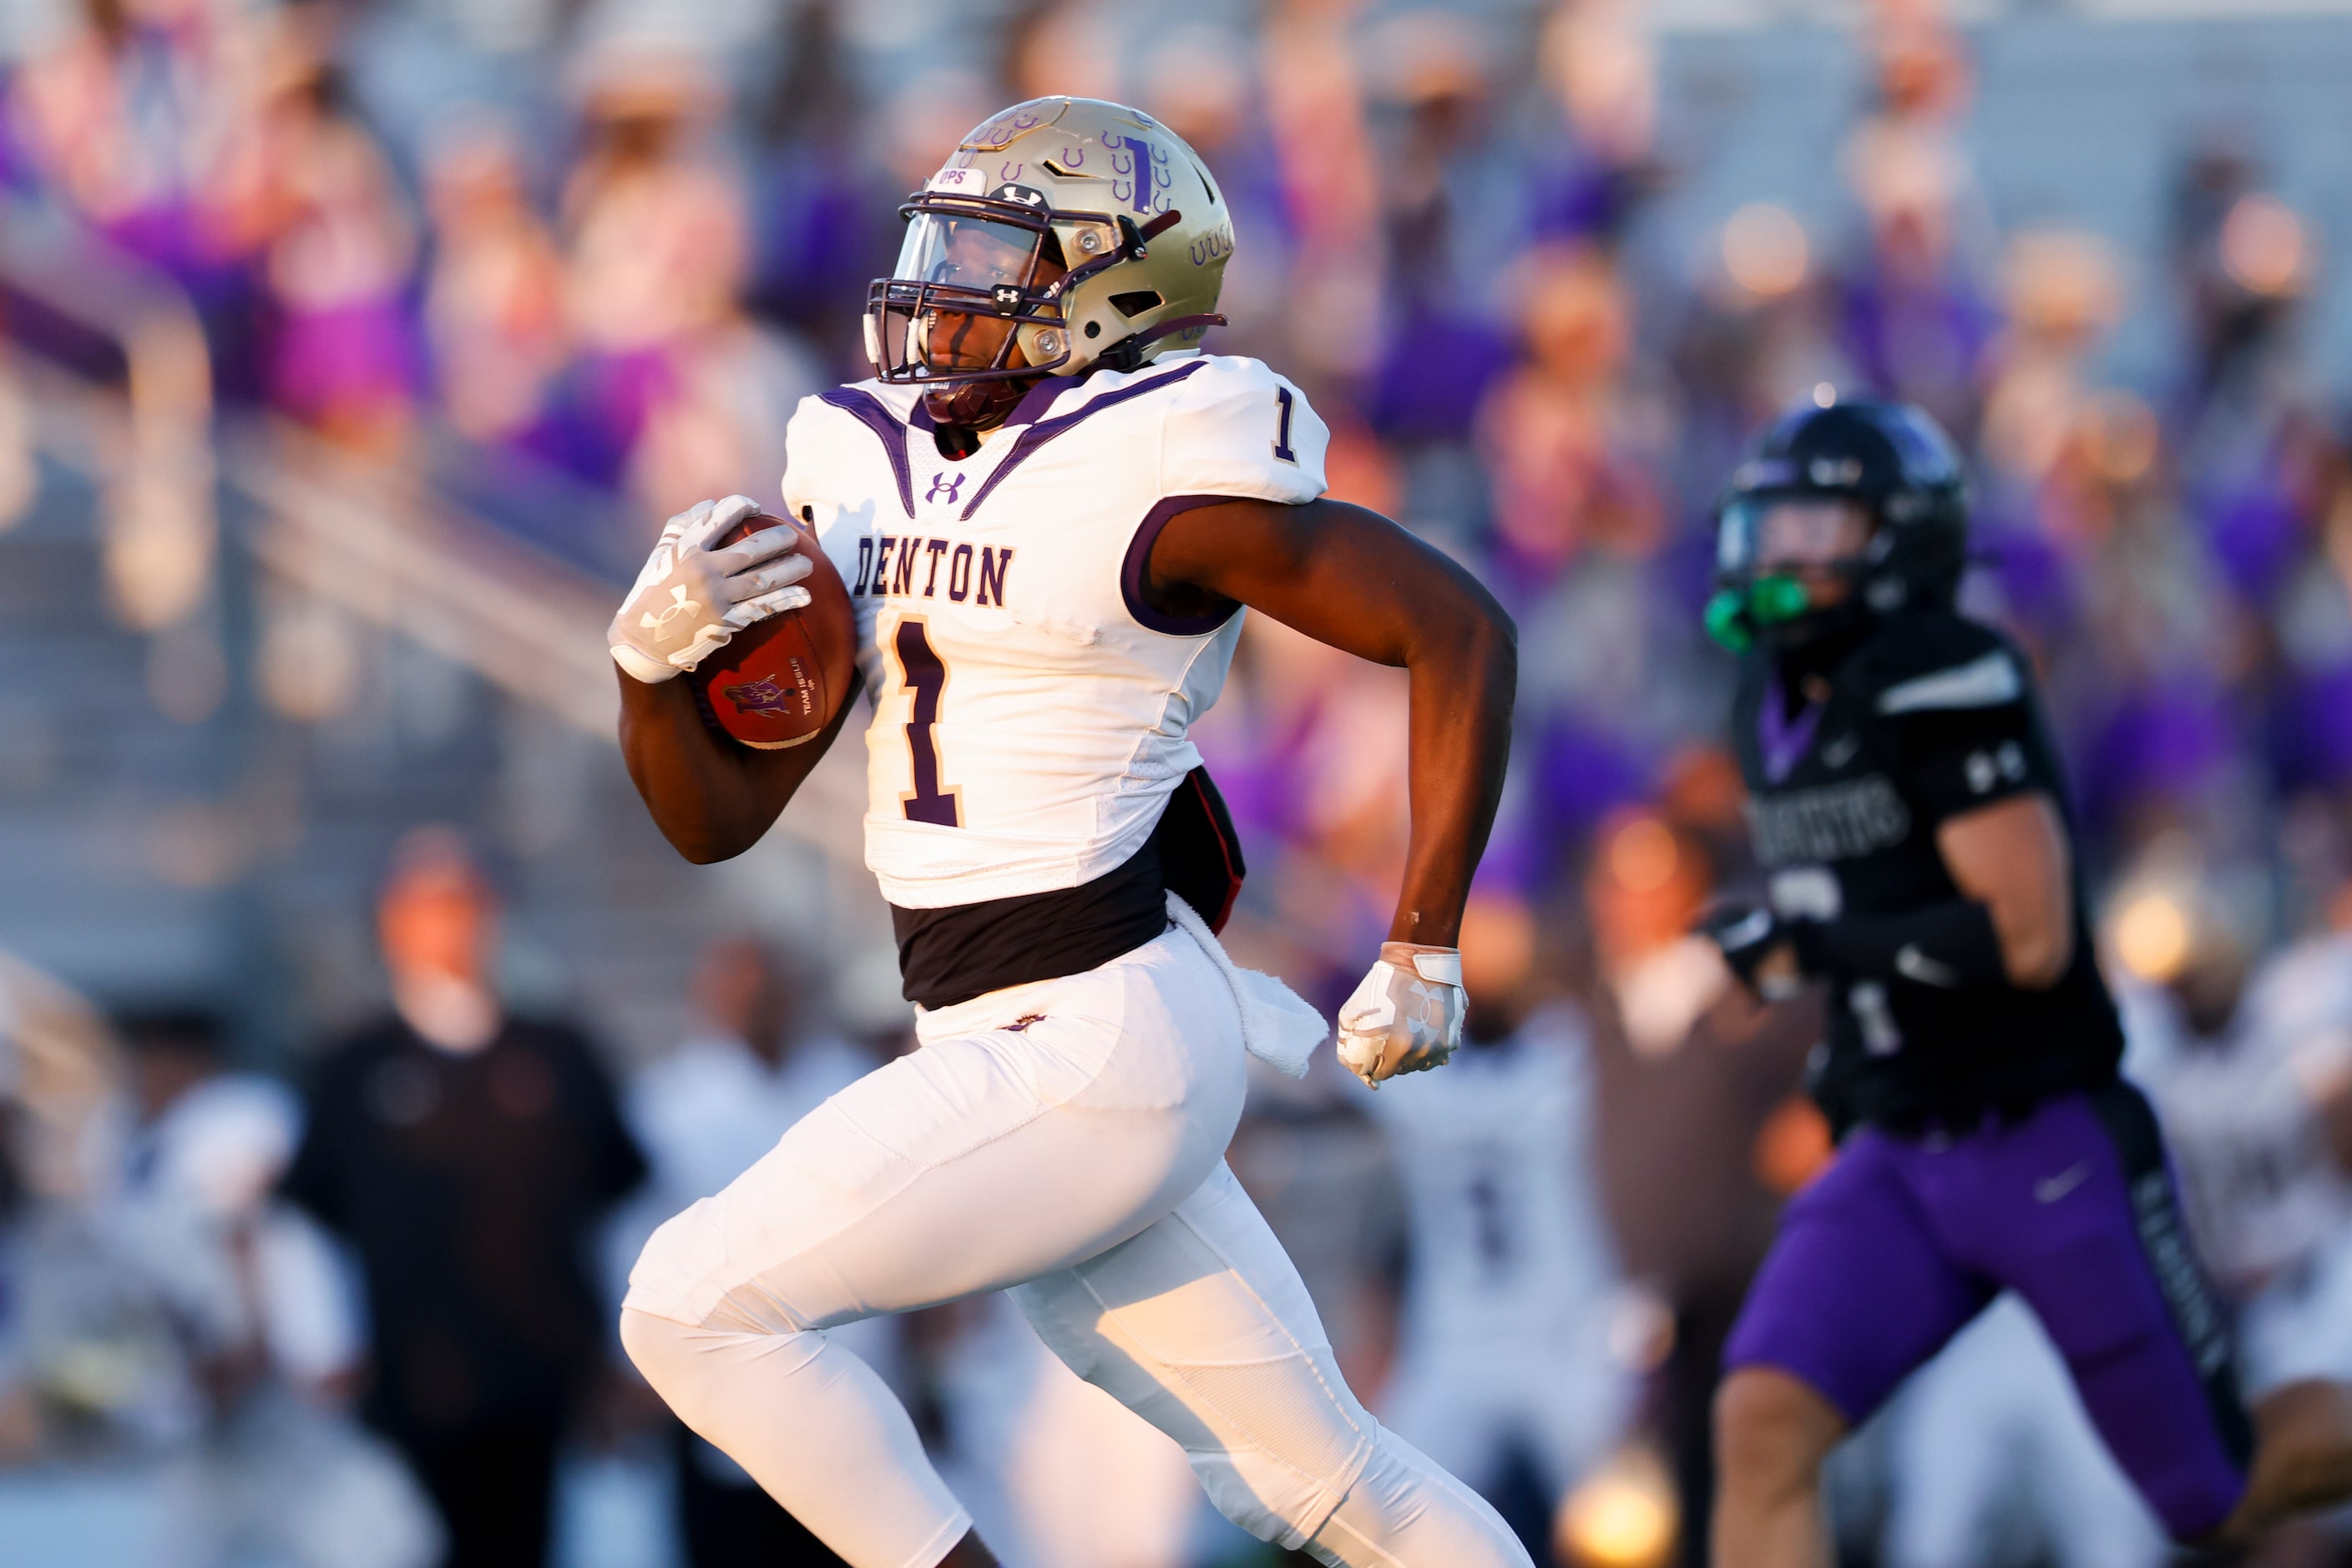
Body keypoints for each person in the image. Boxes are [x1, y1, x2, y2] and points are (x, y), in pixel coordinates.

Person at [603, 96, 1528, 1568]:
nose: (944, 287)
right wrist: (650, 677)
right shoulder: (854, 453)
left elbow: (1457, 627)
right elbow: (718, 820)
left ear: (1111, 282)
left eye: (989, 254)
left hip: (1096, 1027)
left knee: (691, 1305)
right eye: (943, 244)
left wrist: (1421, 934)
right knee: (1318, 1479)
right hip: (1002, 1036)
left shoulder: (1160, 458)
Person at [1691, 392, 2352, 1565]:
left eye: (1814, 530)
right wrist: (1839, 1032)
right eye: (1771, 525)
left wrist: (1814, 949)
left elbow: (2028, 934)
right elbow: (1865, 902)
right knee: (1762, 1420)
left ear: (1896, 540)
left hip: (2040, 1138)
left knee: (2218, 1490)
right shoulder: (1768, 700)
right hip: (1903, 1144)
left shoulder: (1944, 669)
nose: (1779, 554)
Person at [283, 828, 645, 1568]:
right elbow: (306, 1214)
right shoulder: (353, 1064)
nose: (445, 924)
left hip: (538, 1377)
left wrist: (629, 1352)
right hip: (404, 1379)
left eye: (461, 903)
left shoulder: (559, 1054)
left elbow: (621, 1202)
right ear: (389, 920)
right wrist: (324, 1343)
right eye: (424, 906)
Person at [1366, 892, 1632, 1557]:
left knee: (1626, 1522)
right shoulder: (1409, 1067)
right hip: (1453, 1335)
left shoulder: (1574, 1049)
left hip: (1570, 1332)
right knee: (1383, 1517)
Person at [621, 938, 875, 1568]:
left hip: (856, 1363)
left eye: (770, 988)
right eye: (737, 987)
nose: (757, 1004)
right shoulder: (667, 1101)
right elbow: (634, 1237)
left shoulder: (856, 1083)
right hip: (720, 1370)